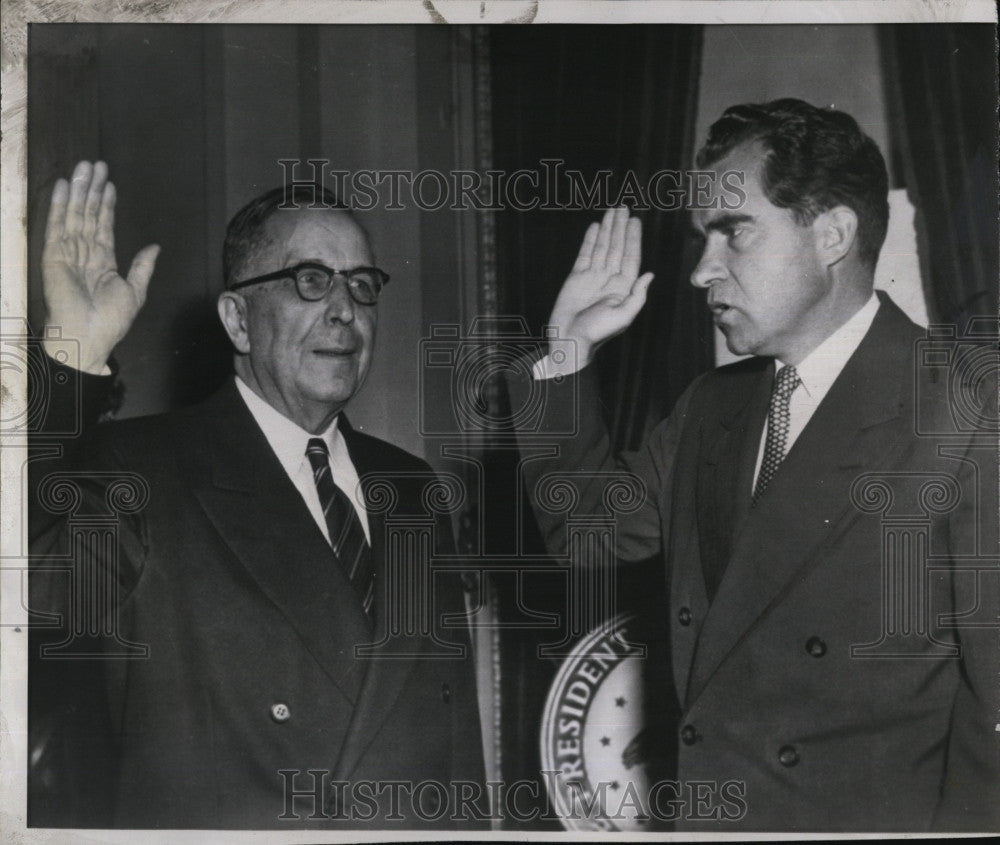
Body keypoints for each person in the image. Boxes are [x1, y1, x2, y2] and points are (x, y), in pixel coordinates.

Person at [510, 99, 998, 831]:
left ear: (832, 233)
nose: (702, 271)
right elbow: (587, 532)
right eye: (704, 238)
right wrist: (567, 350)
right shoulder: (715, 406)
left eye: (733, 232)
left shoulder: (964, 403)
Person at [28, 161, 484, 829]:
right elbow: (24, 579)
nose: (345, 310)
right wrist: (70, 366)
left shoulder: (412, 488)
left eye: (362, 285)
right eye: (310, 280)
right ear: (238, 321)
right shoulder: (142, 471)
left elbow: (457, 757)